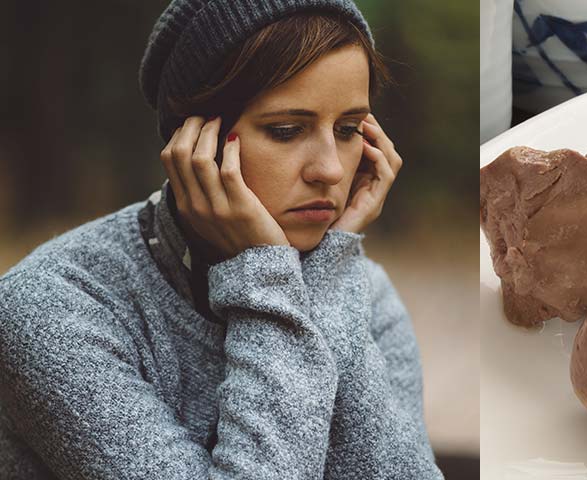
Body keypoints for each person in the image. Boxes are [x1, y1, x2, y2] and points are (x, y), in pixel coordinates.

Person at [0, 1, 442, 478]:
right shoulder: (52, 308)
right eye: (286, 130)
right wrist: (268, 280)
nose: (331, 169)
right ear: (194, 143)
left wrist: (324, 280)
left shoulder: (364, 294)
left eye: (349, 129)